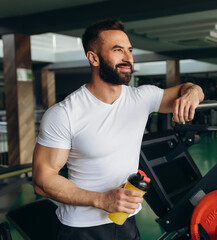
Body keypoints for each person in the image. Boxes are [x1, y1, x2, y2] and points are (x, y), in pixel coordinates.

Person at [32, 19, 204, 240]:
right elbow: (42, 180)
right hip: (81, 228)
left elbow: (189, 90)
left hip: (125, 222)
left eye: (129, 50)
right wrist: (103, 200)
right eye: (117, 50)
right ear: (93, 58)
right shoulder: (65, 113)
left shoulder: (141, 98)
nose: (127, 58)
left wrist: (193, 92)